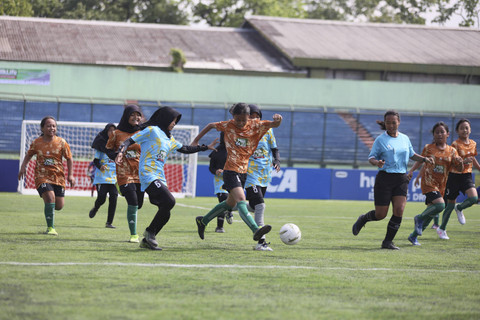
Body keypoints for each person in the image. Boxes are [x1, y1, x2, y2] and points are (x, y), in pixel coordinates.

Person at [115, 107, 217, 250]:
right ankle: (150, 232)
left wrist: (205, 147)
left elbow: (185, 149)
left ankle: (147, 240)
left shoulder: (170, 138)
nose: (174, 123)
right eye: (173, 120)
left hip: (160, 176)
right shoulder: (152, 131)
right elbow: (129, 141)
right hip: (147, 173)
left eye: (176, 121)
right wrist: (120, 152)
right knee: (170, 201)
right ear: (165, 119)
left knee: (166, 210)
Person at [192, 102, 282, 245]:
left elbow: (273, 124)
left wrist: (278, 120)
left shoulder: (255, 124)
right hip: (230, 171)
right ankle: (255, 230)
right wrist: (196, 140)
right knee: (241, 199)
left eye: (243, 120)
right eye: (237, 119)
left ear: (248, 117)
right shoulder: (228, 125)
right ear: (233, 116)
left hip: (243, 172)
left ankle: (203, 221)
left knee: (229, 204)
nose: (240, 123)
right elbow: (210, 125)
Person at [352, 110, 432, 250]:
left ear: (398, 122)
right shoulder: (380, 140)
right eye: (388, 122)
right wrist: (377, 163)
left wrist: (424, 159)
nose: (391, 125)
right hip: (384, 178)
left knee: (399, 209)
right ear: (385, 123)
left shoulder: (405, 138)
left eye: (393, 122)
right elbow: (371, 157)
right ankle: (363, 219)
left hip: (401, 178)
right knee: (380, 214)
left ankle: (387, 242)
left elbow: (412, 155)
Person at [407, 122, 463, 246]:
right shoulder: (428, 148)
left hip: (441, 185)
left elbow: (459, 169)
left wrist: (460, 163)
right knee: (440, 206)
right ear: (433, 134)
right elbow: (421, 161)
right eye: (436, 132)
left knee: (431, 213)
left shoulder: (452, 151)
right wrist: (411, 171)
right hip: (429, 183)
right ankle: (419, 218)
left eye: (442, 132)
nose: (439, 134)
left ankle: (413, 236)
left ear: (447, 134)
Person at [18, 116, 76, 235]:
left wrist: (70, 175)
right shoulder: (36, 143)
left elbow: (69, 159)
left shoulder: (62, 142)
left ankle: (48, 208)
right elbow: (29, 155)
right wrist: (23, 167)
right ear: (42, 128)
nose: (52, 128)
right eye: (49, 126)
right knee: (50, 197)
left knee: (59, 206)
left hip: (58, 177)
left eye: (54, 126)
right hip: (41, 176)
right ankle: (50, 228)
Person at [434, 119, 479, 239]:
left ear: (470, 130)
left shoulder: (473, 143)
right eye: (462, 128)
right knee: (449, 205)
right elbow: (452, 162)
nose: (465, 130)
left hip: (466, 176)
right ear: (457, 131)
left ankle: (459, 208)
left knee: (474, 198)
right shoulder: (455, 144)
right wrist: (464, 161)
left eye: (467, 128)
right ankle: (442, 229)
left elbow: (473, 158)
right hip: (454, 176)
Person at [245, 104, 281, 251]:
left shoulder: (268, 129)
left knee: (253, 207)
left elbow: (274, 148)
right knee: (260, 205)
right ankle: (261, 242)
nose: (255, 119)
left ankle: (228, 207)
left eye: (257, 116)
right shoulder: (242, 131)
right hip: (249, 173)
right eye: (251, 116)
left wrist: (276, 160)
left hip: (265, 173)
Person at [106, 104, 143, 243]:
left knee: (139, 204)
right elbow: (108, 149)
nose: (136, 117)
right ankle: (134, 235)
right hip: (124, 173)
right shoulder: (116, 133)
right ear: (126, 117)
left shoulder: (143, 131)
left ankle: (122, 190)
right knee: (133, 202)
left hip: (140, 173)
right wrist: (116, 155)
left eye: (138, 114)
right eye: (132, 114)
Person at [89, 123, 118, 228]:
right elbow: (95, 160)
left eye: (114, 130)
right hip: (102, 177)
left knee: (114, 197)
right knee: (102, 198)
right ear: (106, 132)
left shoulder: (117, 146)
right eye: (110, 130)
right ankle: (95, 208)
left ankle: (109, 223)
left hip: (113, 178)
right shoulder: (100, 145)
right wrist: (100, 166)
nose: (112, 132)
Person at [208, 132, 234, 233]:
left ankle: (229, 211)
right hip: (220, 181)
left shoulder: (235, 150)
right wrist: (216, 171)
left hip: (232, 179)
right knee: (223, 201)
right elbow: (211, 167)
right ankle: (220, 227)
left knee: (231, 201)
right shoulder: (216, 151)